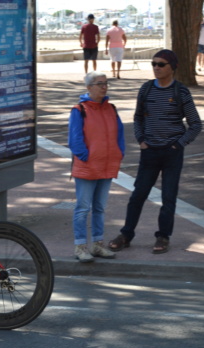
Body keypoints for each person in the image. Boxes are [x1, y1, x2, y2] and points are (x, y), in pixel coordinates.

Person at [108, 50, 202, 255]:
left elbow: (195, 124)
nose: (156, 68)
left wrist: (178, 144)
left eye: (161, 64)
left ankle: (163, 237)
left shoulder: (181, 92)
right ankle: (126, 234)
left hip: (172, 153)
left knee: (169, 198)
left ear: (172, 68)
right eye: (154, 64)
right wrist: (141, 140)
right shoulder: (146, 89)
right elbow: (138, 118)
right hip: (149, 152)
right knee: (138, 195)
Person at [68, 71, 125, 262]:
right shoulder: (80, 110)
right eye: (100, 83)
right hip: (88, 166)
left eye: (106, 83)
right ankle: (80, 246)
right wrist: (86, 156)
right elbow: (74, 139)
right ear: (89, 87)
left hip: (106, 164)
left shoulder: (111, 108)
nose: (104, 87)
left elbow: (120, 134)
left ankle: (98, 244)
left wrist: (119, 152)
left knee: (100, 207)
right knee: (83, 208)